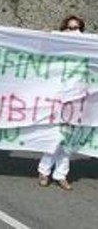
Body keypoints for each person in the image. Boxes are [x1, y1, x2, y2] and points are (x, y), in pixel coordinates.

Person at [36, 15, 86, 191]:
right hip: (57, 99)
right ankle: (44, 171)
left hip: (77, 100)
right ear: (64, 30)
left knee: (68, 141)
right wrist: (46, 37)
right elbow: (41, 53)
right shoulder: (58, 52)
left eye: (78, 28)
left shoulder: (86, 52)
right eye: (71, 28)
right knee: (54, 137)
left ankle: (61, 174)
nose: (75, 32)